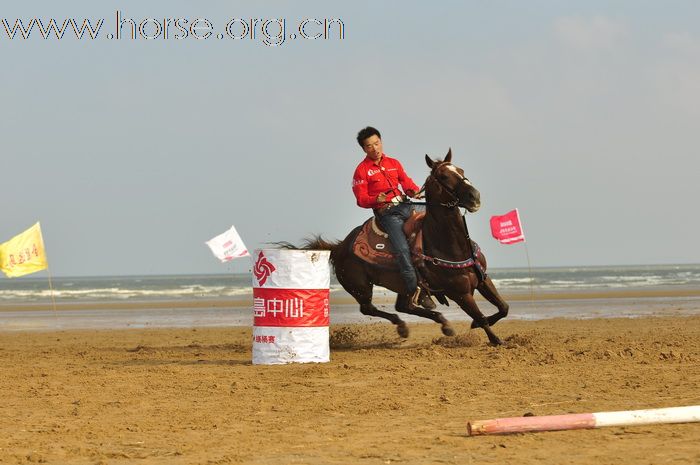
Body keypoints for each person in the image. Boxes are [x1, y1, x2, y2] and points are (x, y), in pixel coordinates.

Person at [351, 126, 435, 311]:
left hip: (405, 205)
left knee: (436, 216)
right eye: (369, 146)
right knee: (402, 250)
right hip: (387, 213)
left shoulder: (394, 163)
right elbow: (360, 199)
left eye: (376, 143)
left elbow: (406, 183)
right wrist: (375, 199)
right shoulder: (361, 170)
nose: (374, 148)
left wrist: (415, 192)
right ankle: (416, 291)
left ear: (381, 141)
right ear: (364, 149)